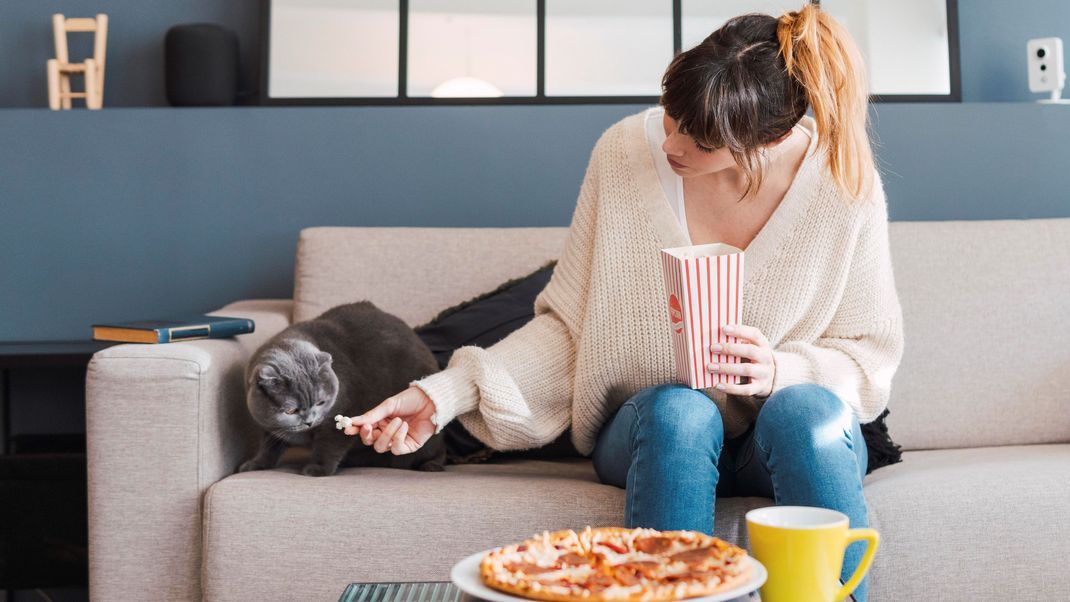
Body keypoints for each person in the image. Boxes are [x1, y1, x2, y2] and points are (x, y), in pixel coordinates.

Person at [343, 3, 903, 600]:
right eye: (671, 114)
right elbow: (567, 329)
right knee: (680, 413)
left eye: (702, 137)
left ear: (770, 138)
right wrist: (442, 394)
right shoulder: (621, 154)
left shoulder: (844, 183)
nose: (672, 142)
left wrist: (781, 371)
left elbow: (868, 355)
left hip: (777, 439)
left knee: (808, 414)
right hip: (653, 434)